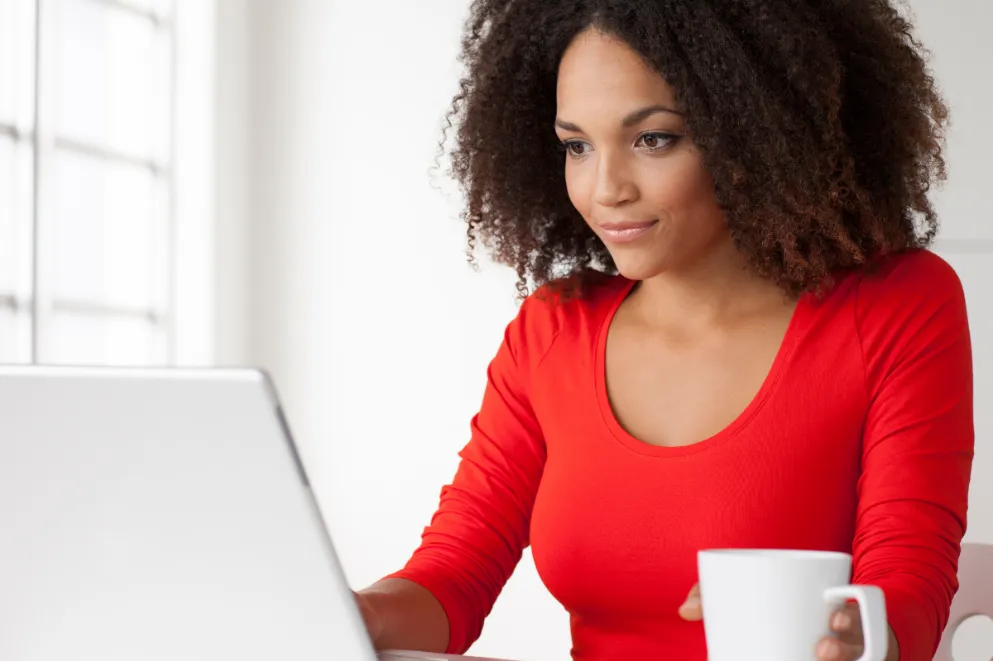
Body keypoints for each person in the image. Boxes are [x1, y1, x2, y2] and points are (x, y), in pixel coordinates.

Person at [355, 1, 975, 660]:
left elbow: (907, 580)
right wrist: (355, 613)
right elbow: (450, 579)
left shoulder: (894, 306)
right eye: (576, 146)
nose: (605, 188)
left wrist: (847, 628)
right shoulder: (551, 332)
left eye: (653, 138)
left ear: (756, 128)